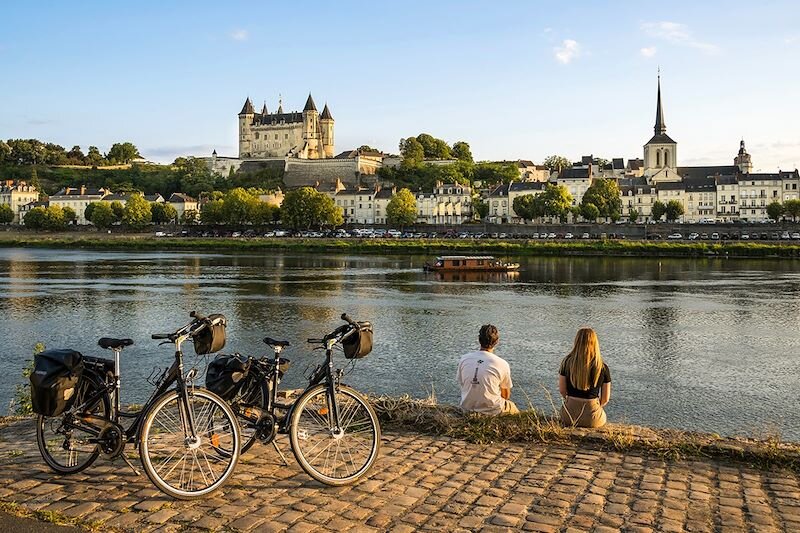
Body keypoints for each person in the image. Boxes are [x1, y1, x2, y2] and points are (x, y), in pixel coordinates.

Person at [457, 324, 519, 415]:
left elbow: (462, 383)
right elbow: (505, 395)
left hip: (467, 408)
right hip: (493, 410)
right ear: (497, 341)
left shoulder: (464, 359)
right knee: (514, 408)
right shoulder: (502, 363)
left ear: (479, 340)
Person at [558, 327, 611, 428]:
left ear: (576, 342)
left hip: (569, 416)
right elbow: (605, 399)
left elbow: (562, 390)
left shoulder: (566, 363)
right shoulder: (602, 367)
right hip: (593, 419)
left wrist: (571, 401)